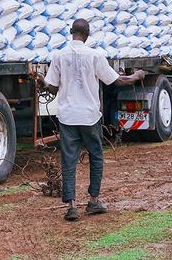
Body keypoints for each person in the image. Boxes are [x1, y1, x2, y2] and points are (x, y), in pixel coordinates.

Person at [40, 19, 146, 221]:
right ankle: (93, 200)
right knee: (95, 156)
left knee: (68, 160)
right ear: (87, 35)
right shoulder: (95, 56)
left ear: (71, 32)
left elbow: (52, 88)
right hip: (89, 116)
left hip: (68, 116)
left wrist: (42, 83)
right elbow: (116, 81)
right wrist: (136, 76)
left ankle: (71, 206)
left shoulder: (59, 56)